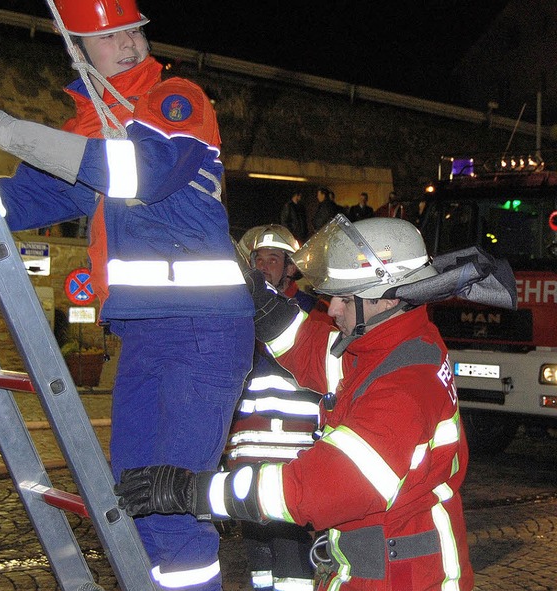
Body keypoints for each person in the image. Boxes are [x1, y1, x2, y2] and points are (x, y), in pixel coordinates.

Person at [0, 1, 255, 589]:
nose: (127, 44)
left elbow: (141, 174)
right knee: (135, 500)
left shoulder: (177, 99)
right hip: (144, 335)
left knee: (171, 507)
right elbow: (10, 207)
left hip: (203, 331)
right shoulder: (85, 130)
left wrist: (7, 129)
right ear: (74, 46)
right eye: (109, 35)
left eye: (133, 30)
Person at [114, 215, 518, 590]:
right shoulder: (389, 345)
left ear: (390, 297)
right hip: (383, 561)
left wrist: (194, 491)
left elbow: (313, 490)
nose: (334, 308)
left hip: (403, 576)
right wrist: (262, 300)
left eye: (344, 298)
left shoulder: (404, 386)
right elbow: (313, 349)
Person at [227, 225, 336, 591]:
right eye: (258, 259)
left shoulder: (313, 314)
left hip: (294, 461)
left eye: (273, 259)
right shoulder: (238, 316)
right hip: (248, 457)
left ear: (291, 268)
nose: (263, 266)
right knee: (259, 562)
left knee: (292, 564)